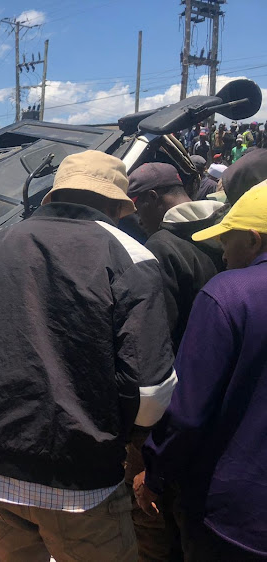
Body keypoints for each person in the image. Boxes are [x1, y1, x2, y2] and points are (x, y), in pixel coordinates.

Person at [0, 151, 175, 562]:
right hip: (81, 483)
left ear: (53, 195)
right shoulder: (131, 255)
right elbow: (150, 391)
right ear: (120, 206)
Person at [136, 184, 267, 561]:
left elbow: (187, 414)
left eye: (227, 241)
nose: (223, 254)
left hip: (235, 520)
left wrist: (155, 475)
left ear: (254, 240)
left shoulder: (228, 295)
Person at [128, 162, 225, 351]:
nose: (138, 219)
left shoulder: (161, 246)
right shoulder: (227, 221)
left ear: (152, 197)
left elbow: (161, 330)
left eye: (137, 207)